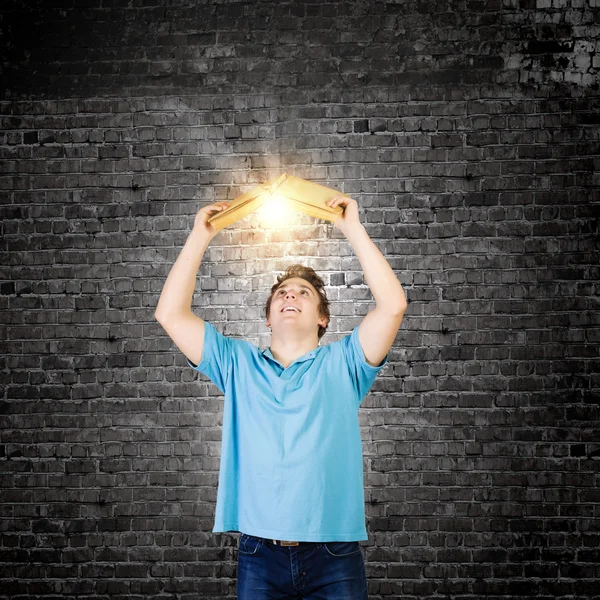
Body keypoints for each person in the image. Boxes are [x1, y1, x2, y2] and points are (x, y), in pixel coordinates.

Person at [155, 194, 408, 600]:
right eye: (282, 293)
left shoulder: (345, 362)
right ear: (269, 317)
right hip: (259, 553)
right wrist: (201, 236)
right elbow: (169, 314)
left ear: (322, 318)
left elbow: (393, 305)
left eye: (304, 293)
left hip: (334, 553)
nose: (291, 296)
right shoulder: (236, 362)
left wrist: (351, 228)